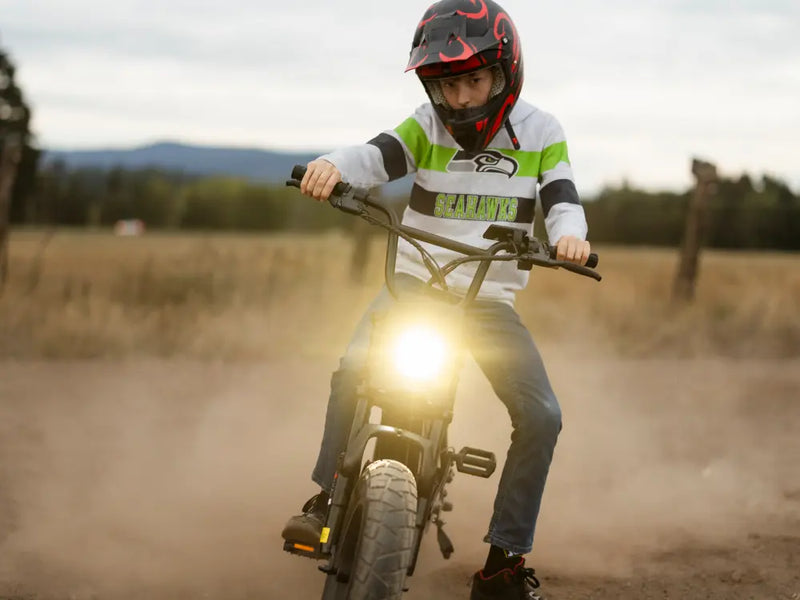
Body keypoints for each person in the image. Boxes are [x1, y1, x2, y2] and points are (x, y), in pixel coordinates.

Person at [282, 1, 590, 598]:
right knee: (352, 370)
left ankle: (503, 564)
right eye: (449, 84)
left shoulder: (542, 131)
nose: (463, 97)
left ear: (503, 72)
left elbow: (561, 196)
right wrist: (331, 165)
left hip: (487, 299)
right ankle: (324, 498)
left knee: (542, 416)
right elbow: (376, 156)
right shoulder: (427, 126)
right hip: (414, 286)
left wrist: (570, 236)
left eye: (475, 80)